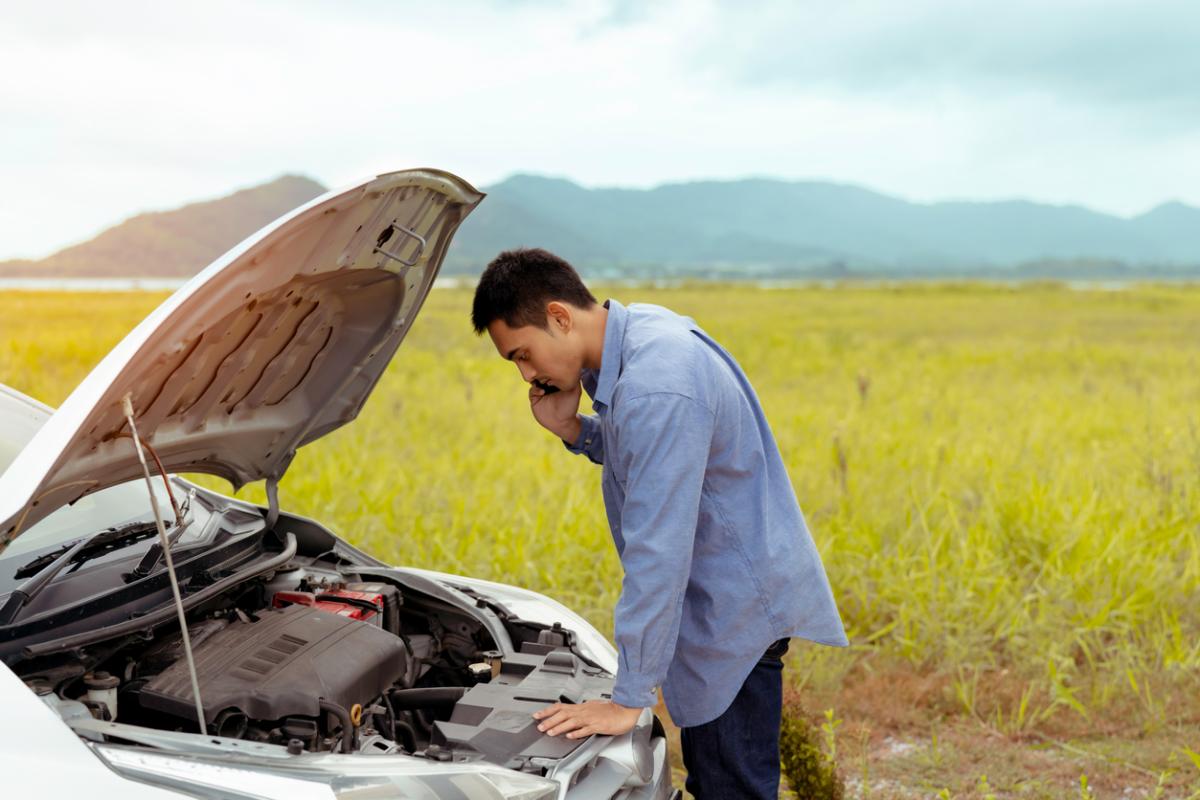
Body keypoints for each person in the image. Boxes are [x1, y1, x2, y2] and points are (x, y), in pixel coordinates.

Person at [471, 248, 847, 799]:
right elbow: (645, 452)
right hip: (727, 597)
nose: (527, 374)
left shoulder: (658, 385)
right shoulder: (641, 332)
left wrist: (629, 700)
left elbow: (660, 550)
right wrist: (576, 429)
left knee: (729, 788)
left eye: (523, 355)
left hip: (730, 614)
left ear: (559, 316)